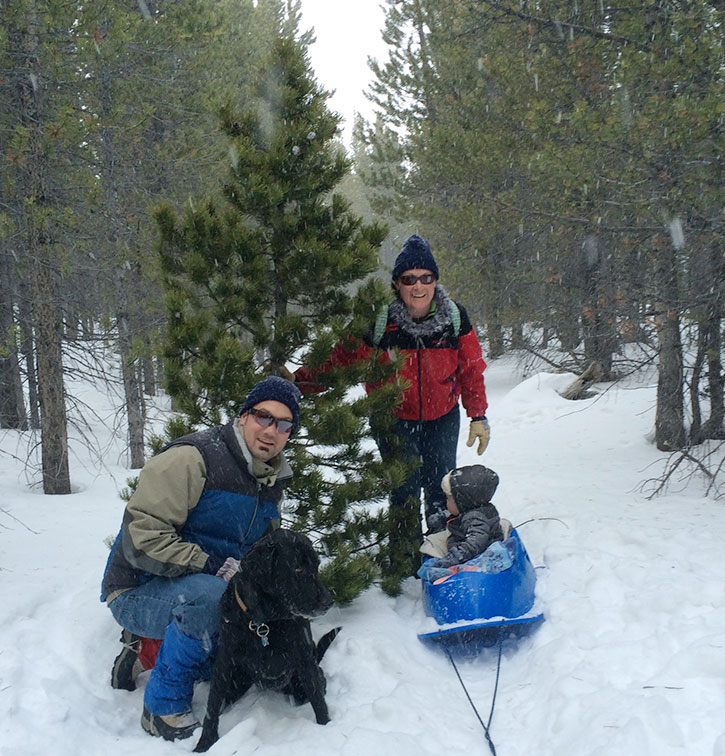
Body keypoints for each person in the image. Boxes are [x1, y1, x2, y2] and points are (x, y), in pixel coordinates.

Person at [100, 376, 301, 741]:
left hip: (198, 585)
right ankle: (161, 706)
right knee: (211, 604)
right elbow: (142, 539)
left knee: (235, 648)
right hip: (138, 586)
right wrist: (209, 565)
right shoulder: (194, 458)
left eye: (284, 424)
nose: (272, 430)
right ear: (243, 417)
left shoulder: (271, 480)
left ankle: (146, 649)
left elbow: (261, 551)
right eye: (263, 417)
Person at [292, 234, 490, 578]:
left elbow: (471, 368)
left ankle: (440, 554)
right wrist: (295, 384)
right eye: (409, 279)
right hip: (393, 417)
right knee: (404, 488)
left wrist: (478, 415)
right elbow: (340, 361)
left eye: (425, 278)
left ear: (435, 281)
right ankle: (403, 562)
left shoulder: (454, 318)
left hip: (442, 416)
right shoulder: (379, 321)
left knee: (442, 488)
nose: (418, 286)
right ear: (397, 283)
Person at [432, 464, 505, 569]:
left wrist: (456, 556)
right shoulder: (472, 508)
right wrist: (441, 518)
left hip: (477, 557)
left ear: (461, 501)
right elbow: (457, 517)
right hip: (468, 551)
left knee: (433, 568)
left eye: (448, 499)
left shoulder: (474, 517)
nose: (446, 503)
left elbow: (476, 542)